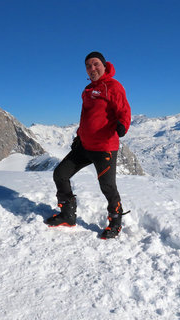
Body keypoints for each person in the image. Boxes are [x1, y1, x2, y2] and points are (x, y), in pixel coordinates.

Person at [45, 51, 131, 239]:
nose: (92, 68)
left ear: (104, 65)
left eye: (95, 64)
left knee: (107, 186)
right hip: (84, 145)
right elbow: (86, 118)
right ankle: (68, 215)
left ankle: (115, 222)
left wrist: (123, 124)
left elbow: (124, 109)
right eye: (88, 66)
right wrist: (79, 136)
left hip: (105, 147)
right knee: (60, 174)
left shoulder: (113, 87)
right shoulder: (87, 90)